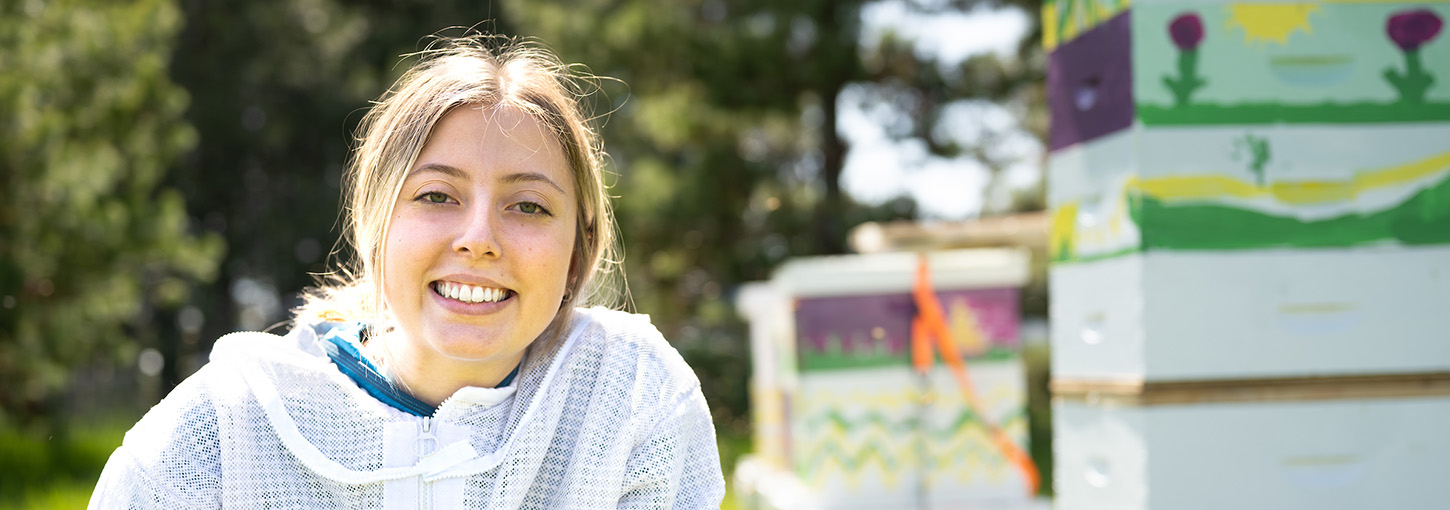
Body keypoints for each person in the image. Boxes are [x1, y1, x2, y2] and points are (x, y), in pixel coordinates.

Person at [89, 34, 725, 509]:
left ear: (578, 252)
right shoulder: (228, 430)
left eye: (528, 206)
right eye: (437, 196)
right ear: (374, 226)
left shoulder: (632, 400)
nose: (479, 239)